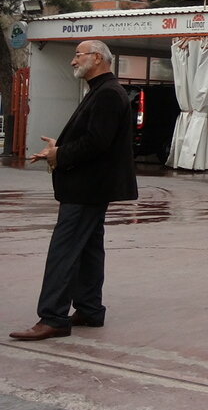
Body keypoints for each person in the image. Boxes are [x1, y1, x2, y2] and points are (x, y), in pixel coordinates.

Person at [9, 40, 138, 341]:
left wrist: (60, 154)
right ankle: (90, 309)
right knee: (89, 247)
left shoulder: (108, 93)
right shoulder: (101, 91)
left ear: (97, 58)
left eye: (78, 55)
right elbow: (95, 139)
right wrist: (59, 149)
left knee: (63, 251)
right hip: (91, 187)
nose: (73, 61)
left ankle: (53, 317)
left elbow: (97, 142)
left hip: (86, 188)